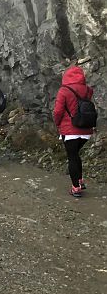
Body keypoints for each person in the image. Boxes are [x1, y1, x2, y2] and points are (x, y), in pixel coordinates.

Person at [53, 66, 95, 197]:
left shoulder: (64, 90)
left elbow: (58, 111)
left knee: (72, 157)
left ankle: (76, 188)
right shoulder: (87, 90)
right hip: (86, 129)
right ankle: (80, 181)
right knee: (76, 155)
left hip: (70, 130)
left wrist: (57, 123)